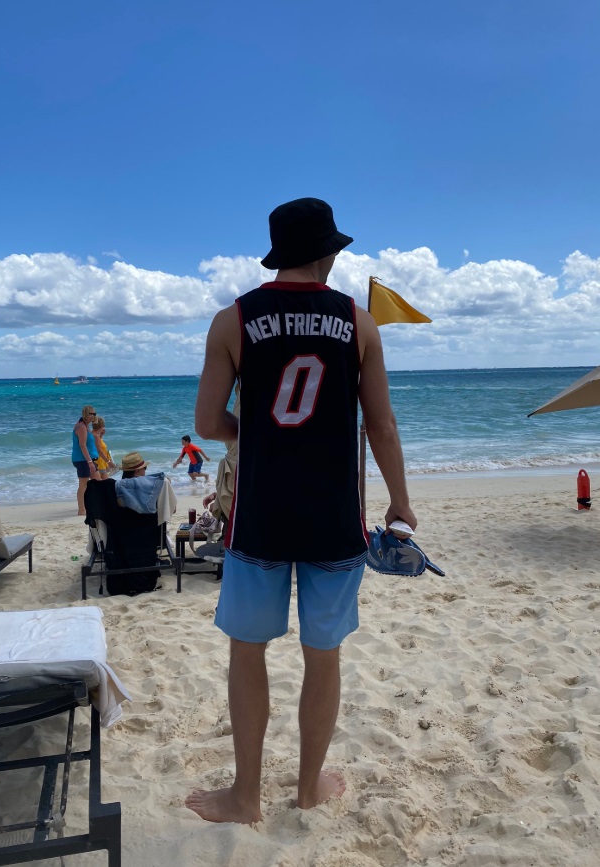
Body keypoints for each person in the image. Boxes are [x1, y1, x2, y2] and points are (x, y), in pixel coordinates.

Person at [186, 197, 417, 825]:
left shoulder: (232, 319)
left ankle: (246, 796)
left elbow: (208, 423)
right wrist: (400, 501)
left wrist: (255, 435)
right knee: (324, 655)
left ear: (278, 253)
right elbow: (383, 428)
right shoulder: (359, 323)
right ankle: (309, 789)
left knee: (247, 651)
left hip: (259, 518)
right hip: (335, 520)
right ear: (327, 253)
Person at [71, 405, 100, 515]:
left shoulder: (86, 426)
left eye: (94, 414)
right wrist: (89, 462)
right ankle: (82, 509)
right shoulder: (81, 427)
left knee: (98, 483)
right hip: (82, 460)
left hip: (88, 459)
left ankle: (94, 505)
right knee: (83, 484)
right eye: (92, 414)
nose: (93, 416)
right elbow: (82, 446)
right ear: (86, 414)